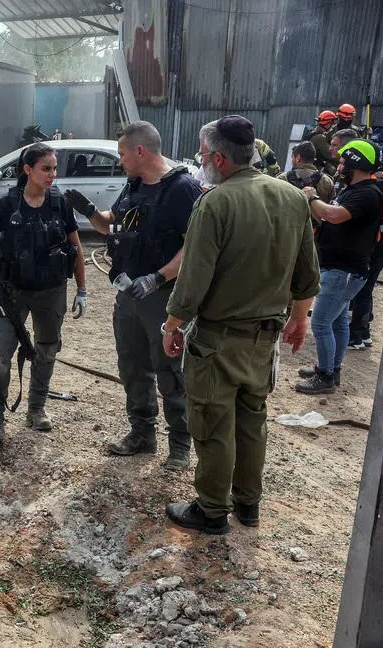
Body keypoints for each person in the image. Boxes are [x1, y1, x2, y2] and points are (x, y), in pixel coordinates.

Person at [160, 115, 320, 534]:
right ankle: (248, 504)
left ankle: (212, 510)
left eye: (201, 152)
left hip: (217, 340)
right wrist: (300, 319)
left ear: (218, 157)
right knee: (252, 421)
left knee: (213, 424)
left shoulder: (214, 203)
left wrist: (172, 325)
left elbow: (192, 281)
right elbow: (307, 275)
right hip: (264, 341)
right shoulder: (291, 198)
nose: (199, 159)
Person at [64, 121, 202, 470]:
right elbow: (112, 222)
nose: (120, 160)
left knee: (170, 371)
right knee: (132, 366)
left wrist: (157, 278)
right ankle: (142, 433)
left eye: (123, 153)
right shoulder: (133, 185)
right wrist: (90, 212)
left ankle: (180, 445)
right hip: (128, 294)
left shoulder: (182, 188)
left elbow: (195, 246)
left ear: (141, 151)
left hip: (163, 298)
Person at [0, 143, 86, 445]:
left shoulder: (60, 204)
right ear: (28, 170)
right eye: (45, 168)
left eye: (54, 169)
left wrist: (82, 289)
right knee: (0, 358)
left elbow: (76, 249)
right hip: (13, 294)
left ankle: (36, 409)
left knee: (46, 352)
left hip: (51, 291)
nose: (52, 175)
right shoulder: (8, 205)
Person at [295, 140, 383, 393]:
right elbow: (331, 219)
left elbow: (334, 215)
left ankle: (325, 377)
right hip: (342, 268)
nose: (340, 165)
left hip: (344, 271)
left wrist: (311, 198)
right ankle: (331, 369)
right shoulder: (353, 190)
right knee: (338, 322)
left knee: (321, 322)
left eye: (344, 161)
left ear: (356, 162)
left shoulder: (367, 193)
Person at [347, 147, 383, 350]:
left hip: (380, 243)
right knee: (365, 287)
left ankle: (357, 336)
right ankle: (364, 333)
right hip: (382, 240)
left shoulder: (381, 182)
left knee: (363, 288)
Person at [278, 142, 335, 233]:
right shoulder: (327, 181)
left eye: (292, 157)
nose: (292, 160)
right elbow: (332, 209)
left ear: (298, 158)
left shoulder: (282, 179)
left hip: (288, 234)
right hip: (317, 235)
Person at [309, 110, 339, 177]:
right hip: (317, 171)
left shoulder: (316, 133)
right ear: (328, 124)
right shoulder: (319, 138)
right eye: (333, 124)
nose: (334, 126)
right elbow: (331, 155)